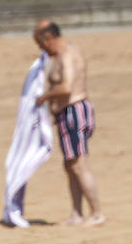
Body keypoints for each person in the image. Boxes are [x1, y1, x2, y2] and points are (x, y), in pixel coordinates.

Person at [34, 20, 104, 226]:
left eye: (40, 43)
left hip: (75, 111)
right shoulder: (59, 56)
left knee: (79, 165)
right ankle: (76, 214)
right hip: (66, 114)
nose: (40, 48)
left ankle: (97, 213)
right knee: (69, 165)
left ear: (48, 38)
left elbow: (66, 87)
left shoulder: (68, 55)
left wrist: (44, 97)